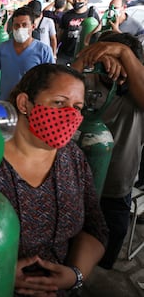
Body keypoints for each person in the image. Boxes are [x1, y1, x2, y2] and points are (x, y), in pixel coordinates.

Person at [0, 63, 108, 296]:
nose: (70, 115)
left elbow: (95, 227)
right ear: (25, 103)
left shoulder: (73, 158)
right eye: (59, 102)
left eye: (77, 107)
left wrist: (75, 275)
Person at [72, 32, 144, 270]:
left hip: (115, 192)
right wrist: (87, 58)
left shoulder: (137, 92)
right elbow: (56, 89)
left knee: (102, 260)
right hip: (75, 188)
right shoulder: (86, 82)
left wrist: (123, 52)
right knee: (70, 254)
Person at [0, 6, 54, 100]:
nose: (20, 28)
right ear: (12, 27)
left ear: (33, 26)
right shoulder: (4, 47)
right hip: (5, 102)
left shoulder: (43, 50)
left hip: (29, 106)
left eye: (24, 25)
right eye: (16, 25)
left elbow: (51, 79)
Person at [57, 0, 100, 65]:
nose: (77, 2)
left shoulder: (92, 16)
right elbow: (60, 32)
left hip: (83, 53)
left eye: (79, 0)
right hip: (65, 53)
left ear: (86, 1)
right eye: (75, 0)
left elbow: (97, 31)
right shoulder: (67, 15)